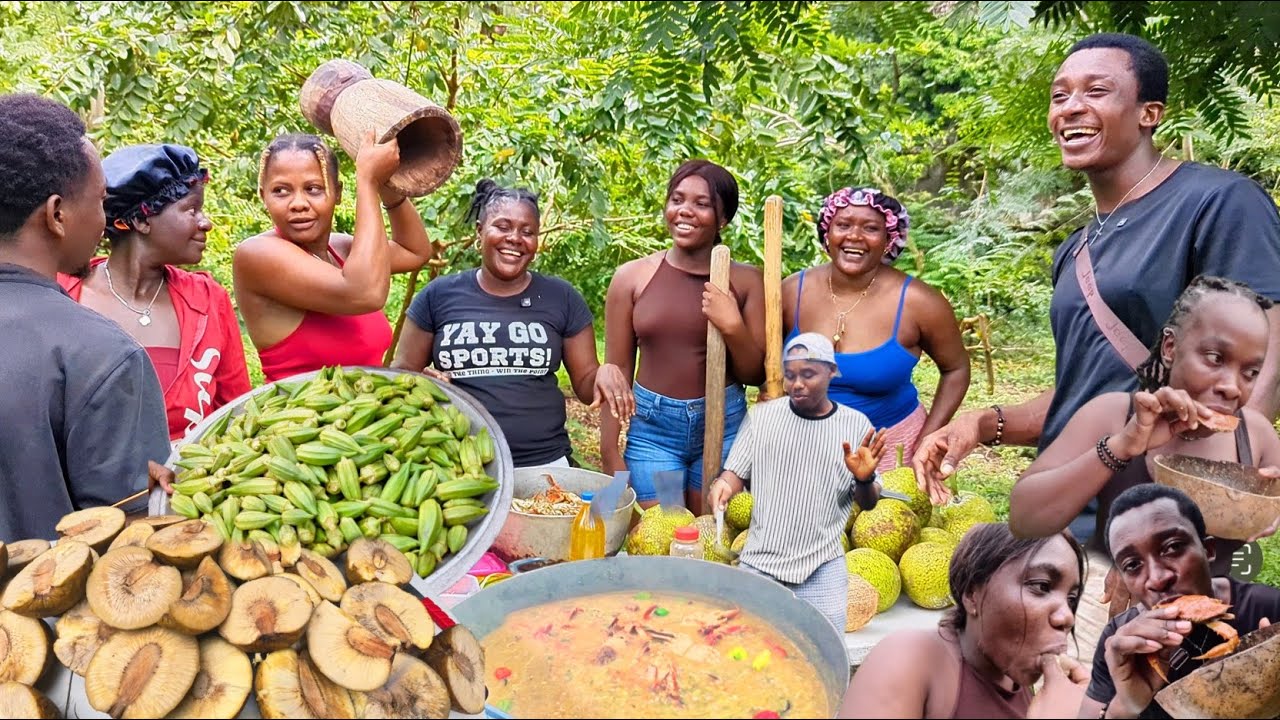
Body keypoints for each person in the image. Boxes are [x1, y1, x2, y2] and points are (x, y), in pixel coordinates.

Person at [913, 33, 1280, 511]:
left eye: (1096, 91)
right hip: (1071, 508)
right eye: (1060, 95)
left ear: (1149, 113)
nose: (1070, 107)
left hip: (1162, 516)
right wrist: (982, 424)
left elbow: (1270, 348)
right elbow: (1082, 392)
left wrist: (1226, 479)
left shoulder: (1218, 203)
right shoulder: (1075, 250)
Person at [1012, 276, 1280, 579]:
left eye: (1251, 372)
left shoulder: (1255, 436)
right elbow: (1025, 520)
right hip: (1108, 614)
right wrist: (1122, 446)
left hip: (1209, 616)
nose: (1232, 388)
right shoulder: (1112, 414)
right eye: (1215, 358)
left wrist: (1272, 505)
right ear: (1169, 347)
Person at [0, 94, 170, 541]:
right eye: (100, 201)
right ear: (57, 215)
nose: (104, 220)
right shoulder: (102, 358)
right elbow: (136, 544)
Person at [391, 179, 632, 468]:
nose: (515, 238)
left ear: (536, 242)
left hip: (543, 464)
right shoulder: (439, 295)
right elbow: (401, 374)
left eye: (527, 232)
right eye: (503, 227)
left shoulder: (560, 297)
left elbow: (584, 384)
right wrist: (424, 381)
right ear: (480, 231)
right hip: (457, 465)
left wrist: (605, 373)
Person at [602, 159, 766, 515]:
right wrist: (609, 450)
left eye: (701, 204)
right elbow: (615, 372)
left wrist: (732, 324)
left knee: (712, 540)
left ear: (723, 219)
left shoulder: (748, 281)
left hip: (723, 429)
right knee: (665, 536)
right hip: (654, 434)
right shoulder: (632, 278)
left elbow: (756, 374)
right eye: (677, 200)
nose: (685, 211)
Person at [58, 143, 250, 441]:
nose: (206, 222)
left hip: (193, 483)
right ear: (141, 219)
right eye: (191, 209)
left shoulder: (209, 300)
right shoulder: (63, 295)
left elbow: (239, 413)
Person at [708, 332, 886, 631]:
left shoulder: (855, 426)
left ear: (831, 372)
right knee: (752, 644)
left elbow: (868, 504)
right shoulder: (762, 419)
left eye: (808, 374)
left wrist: (864, 480)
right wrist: (724, 485)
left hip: (822, 566)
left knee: (822, 653)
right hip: (761, 562)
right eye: (790, 375)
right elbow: (735, 473)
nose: (797, 383)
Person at [783, 187, 969, 471]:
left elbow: (956, 369)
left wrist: (928, 438)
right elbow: (765, 361)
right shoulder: (792, 290)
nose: (854, 237)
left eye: (871, 228)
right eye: (843, 225)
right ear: (826, 234)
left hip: (890, 449)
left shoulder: (919, 302)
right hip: (803, 447)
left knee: (886, 517)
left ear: (888, 239)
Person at [233, 131, 434, 382]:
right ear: (264, 196)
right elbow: (366, 293)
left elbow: (414, 251)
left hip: (364, 412)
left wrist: (387, 186)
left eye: (314, 189)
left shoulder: (340, 250)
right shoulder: (257, 254)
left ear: (337, 193)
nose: (298, 203)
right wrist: (368, 181)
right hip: (301, 416)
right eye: (281, 191)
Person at [841, 523, 1089, 719]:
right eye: (1042, 586)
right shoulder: (909, 657)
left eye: (1072, 599)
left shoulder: (1014, 675)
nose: (1067, 616)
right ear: (973, 593)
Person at [1078, 484, 1280, 719]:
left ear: (1208, 549)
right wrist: (1124, 706)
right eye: (1132, 565)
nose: (1158, 578)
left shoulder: (1269, 609)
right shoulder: (1121, 644)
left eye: (1172, 547)